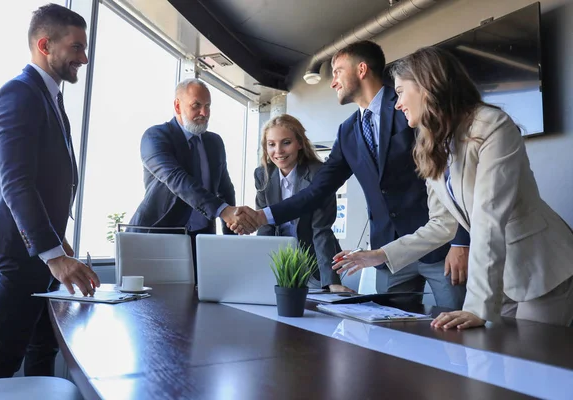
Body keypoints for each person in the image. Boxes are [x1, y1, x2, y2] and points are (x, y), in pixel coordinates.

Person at [333, 46, 573, 329]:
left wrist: (475, 307)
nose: (397, 104)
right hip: (501, 276)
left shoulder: (491, 126)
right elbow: (441, 224)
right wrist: (381, 254)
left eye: (399, 92)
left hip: (542, 270)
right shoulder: (433, 143)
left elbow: (489, 217)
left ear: (426, 86)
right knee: (499, 363)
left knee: (535, 364)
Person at [233, 41, 468, 308]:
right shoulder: (347, 132)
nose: (333, 82)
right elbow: (317, 190)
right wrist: (263, 215)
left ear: (362, 69)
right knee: (392, 336)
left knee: (455, 332)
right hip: (388, 254)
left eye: (337, 71)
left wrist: (461, 242)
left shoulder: (408, 106)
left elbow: (450, 173)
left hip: (441, 247)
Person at [0, 4, 100, 379]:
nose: (85, 57)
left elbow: (41, 179)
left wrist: (56, 244)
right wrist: (53, 255)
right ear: (45, 45)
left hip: (37, 248)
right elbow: (16, 182)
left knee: (41, 349)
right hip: (19, 250)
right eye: (76, 48)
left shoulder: (45, 95)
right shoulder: (18, 95)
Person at [128, 78, 248, 281]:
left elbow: (225, 190)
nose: (204, 113)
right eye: (197, 106)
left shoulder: (215, 142)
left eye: (208, 106)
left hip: (202, 239)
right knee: (157, 307)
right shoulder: (155, 137)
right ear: (177, 105)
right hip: (159, 237)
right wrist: (222, 210)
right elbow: (177, 179)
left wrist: (231, 241)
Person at [255, 114, 347, 291]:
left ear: (299, 143)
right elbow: (265, 228)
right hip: (280, 262)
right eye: (271, 144)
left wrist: (331, 282)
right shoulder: (262, 175)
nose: (278, 151)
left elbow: (321, 230)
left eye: (286, 142)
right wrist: (259, 271)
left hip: (314, 262)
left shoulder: (318, 174)